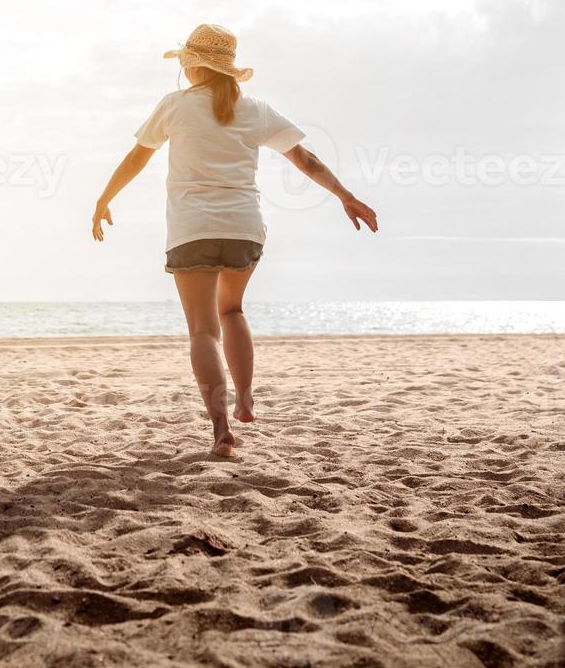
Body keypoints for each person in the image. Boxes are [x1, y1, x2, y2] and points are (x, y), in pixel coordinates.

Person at [92, 24, 378, 457]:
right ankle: (245, 400)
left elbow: (137, 157)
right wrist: (347, 197)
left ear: (192, 64)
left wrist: (103, 199)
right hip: (244, 227)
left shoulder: (175, 106)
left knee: (203, 331)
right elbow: (305, 158)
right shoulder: (256, 109)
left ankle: (221, 428)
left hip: (192, 230)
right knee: (232, 309)